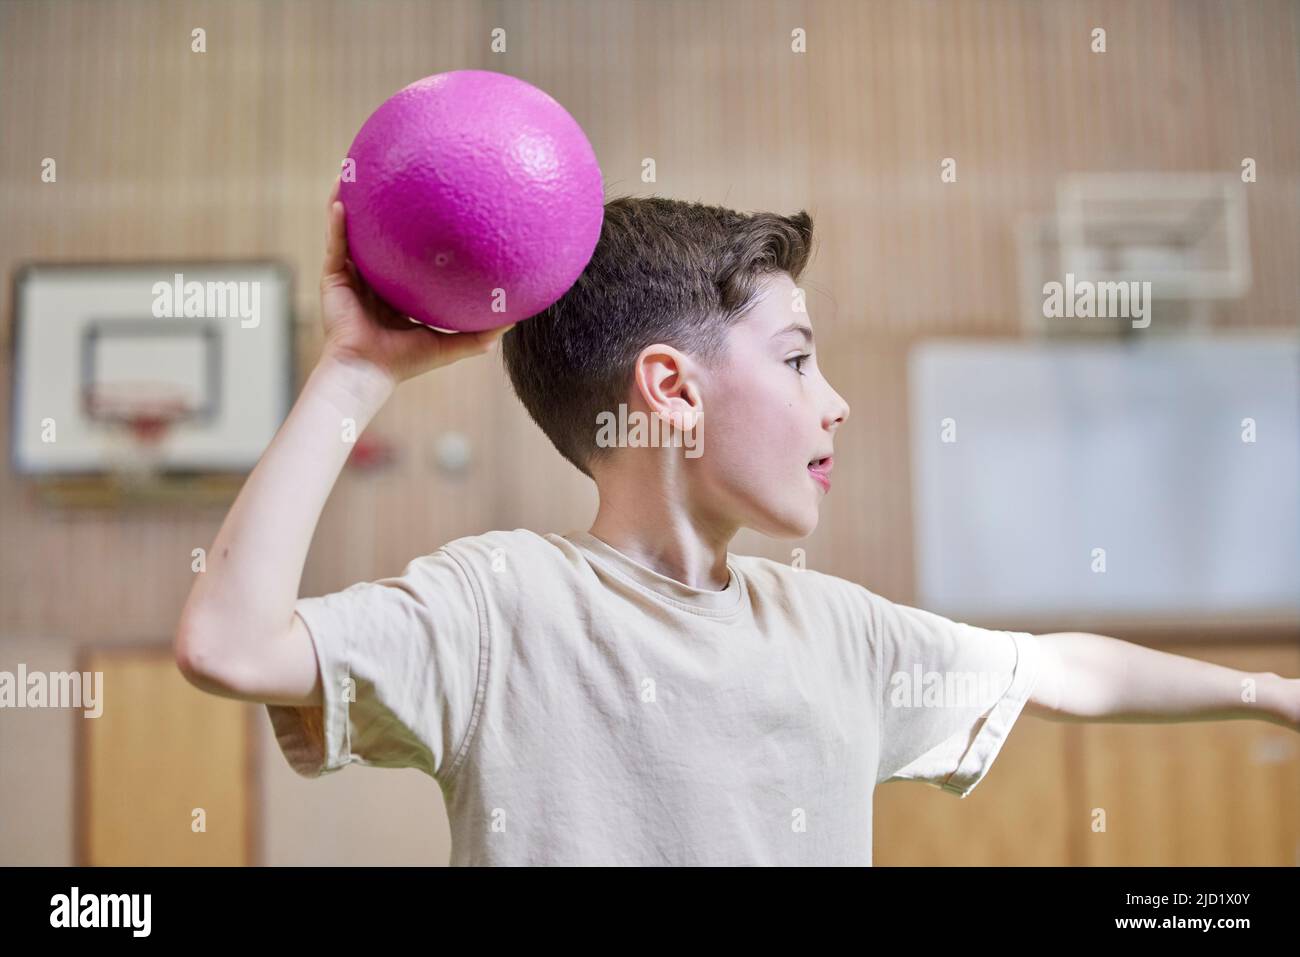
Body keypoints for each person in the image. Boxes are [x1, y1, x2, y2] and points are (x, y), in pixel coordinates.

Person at [174, 178, 1300, 866]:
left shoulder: (839, 632)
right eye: (798, 360)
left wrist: (1268, 691)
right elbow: (230, 644)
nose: (835, 402)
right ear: (671, 390)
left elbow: (1060, 669)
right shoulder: (498, 609)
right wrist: (356, 372)